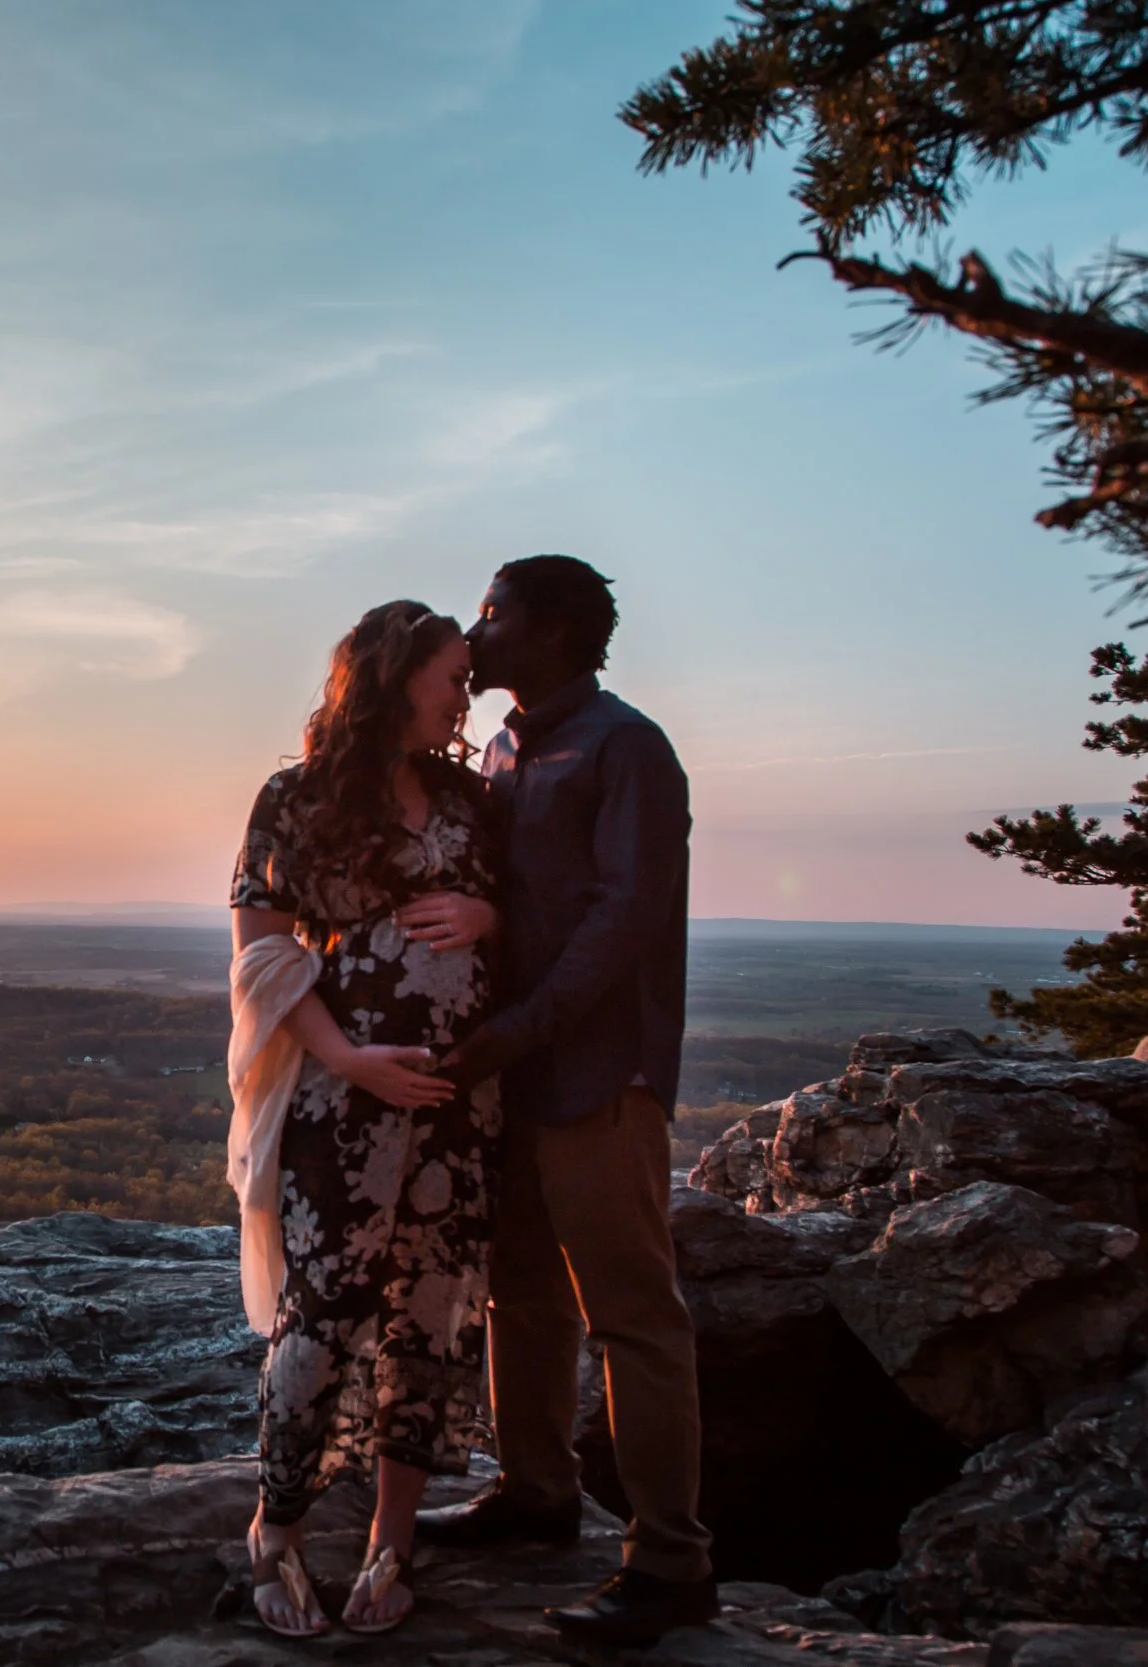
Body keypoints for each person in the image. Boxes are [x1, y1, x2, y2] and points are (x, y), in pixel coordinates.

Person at [404, 554, 716, 1646]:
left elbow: (622, 920)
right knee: (520, 1296)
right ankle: (535, 1494)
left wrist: (514, 1033)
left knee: (635, 1321)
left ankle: (671, 1561)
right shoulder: (501, 746)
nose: (474, 632)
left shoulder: (625, 747)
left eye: (491, 613)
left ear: (549, 627)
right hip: (516, 1074)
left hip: (598, 1075)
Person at [225, 599, 505, 1638]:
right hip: (343, 1104)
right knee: (326, 1314)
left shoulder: (469, 801)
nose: (463, 698)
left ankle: (393, 1536)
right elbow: (259, 944)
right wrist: (347, 1057)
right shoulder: (297, 798)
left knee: (428, 1315)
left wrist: (491, 913)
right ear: (391, 676)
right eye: (451, 678)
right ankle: (277, 1527)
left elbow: (536, 909)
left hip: (457, 1106)